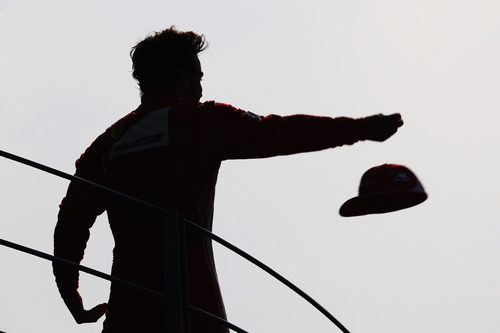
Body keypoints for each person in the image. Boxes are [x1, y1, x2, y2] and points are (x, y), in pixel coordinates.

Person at [52, 27, 403, 333]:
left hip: (129, 314)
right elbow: (279, 133)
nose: (201, 88)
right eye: (199, 78)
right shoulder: (200, 121)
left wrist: (71, 294)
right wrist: (359, 129)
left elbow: (71, 223)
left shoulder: (108, 145)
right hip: (194, 307)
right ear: (181, 76)